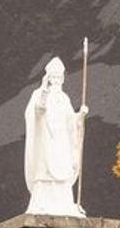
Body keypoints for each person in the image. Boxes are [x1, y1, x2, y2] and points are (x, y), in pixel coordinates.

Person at [23, 56, 88, 216]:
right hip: (46, 139)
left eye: (59, 77)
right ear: (48, 78)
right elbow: (37, 110)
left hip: (61, 141)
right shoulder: (39, 94)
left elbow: (70, 121)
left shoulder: (64, 98)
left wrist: (80, 115)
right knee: (46, 170)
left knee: (62, 170)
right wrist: (44, 90)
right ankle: (43, 203)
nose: (57, 80)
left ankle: (64, 204)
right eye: (54, 77)